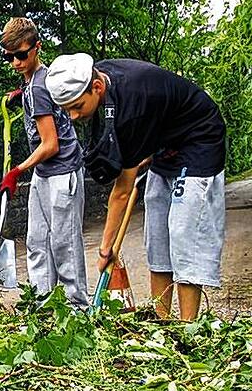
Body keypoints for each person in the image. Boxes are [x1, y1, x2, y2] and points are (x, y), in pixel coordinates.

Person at [45, 53, 226, 320]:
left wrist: (106, 247)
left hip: (199, 139)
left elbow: (123, 192)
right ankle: (162, 324)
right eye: (66, 109)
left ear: (96, 88)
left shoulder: (132, 110)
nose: (72, 116)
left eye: (77, 107)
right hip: (163, 144)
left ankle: (189, 330)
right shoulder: (99, 76)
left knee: (184, 231)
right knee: (157, 237)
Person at [0, 18, 88, 307]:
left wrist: (17, 170)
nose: (15, 62)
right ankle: (42, 303)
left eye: (22, 55)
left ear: (37, 47)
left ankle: (77, 309)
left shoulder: (38, 87)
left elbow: (50, 144)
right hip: (45, 173)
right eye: (9, 56)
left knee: (64, 244)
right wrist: (21, 95)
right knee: (37, 241)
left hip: (62, 172)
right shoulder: (40, 80)